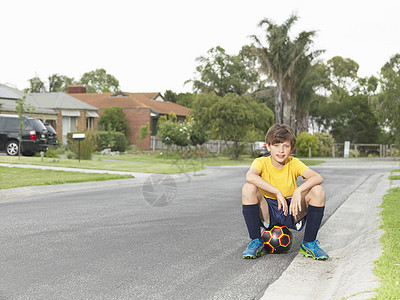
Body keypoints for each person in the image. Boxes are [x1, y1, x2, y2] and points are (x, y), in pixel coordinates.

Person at [242, 123, 328, 260]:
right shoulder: (261, 162)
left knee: (318, 191)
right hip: (268, 210)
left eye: (285, 146)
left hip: (291, 209)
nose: (281, 150)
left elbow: (318, 177)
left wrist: (298, 191)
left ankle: (309, 243)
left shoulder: (293, 163)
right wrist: (277, 192)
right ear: (268, 146)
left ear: (291, 148)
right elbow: (250, 176)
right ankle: (255, 241)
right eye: (276, 145)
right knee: (248, 188)